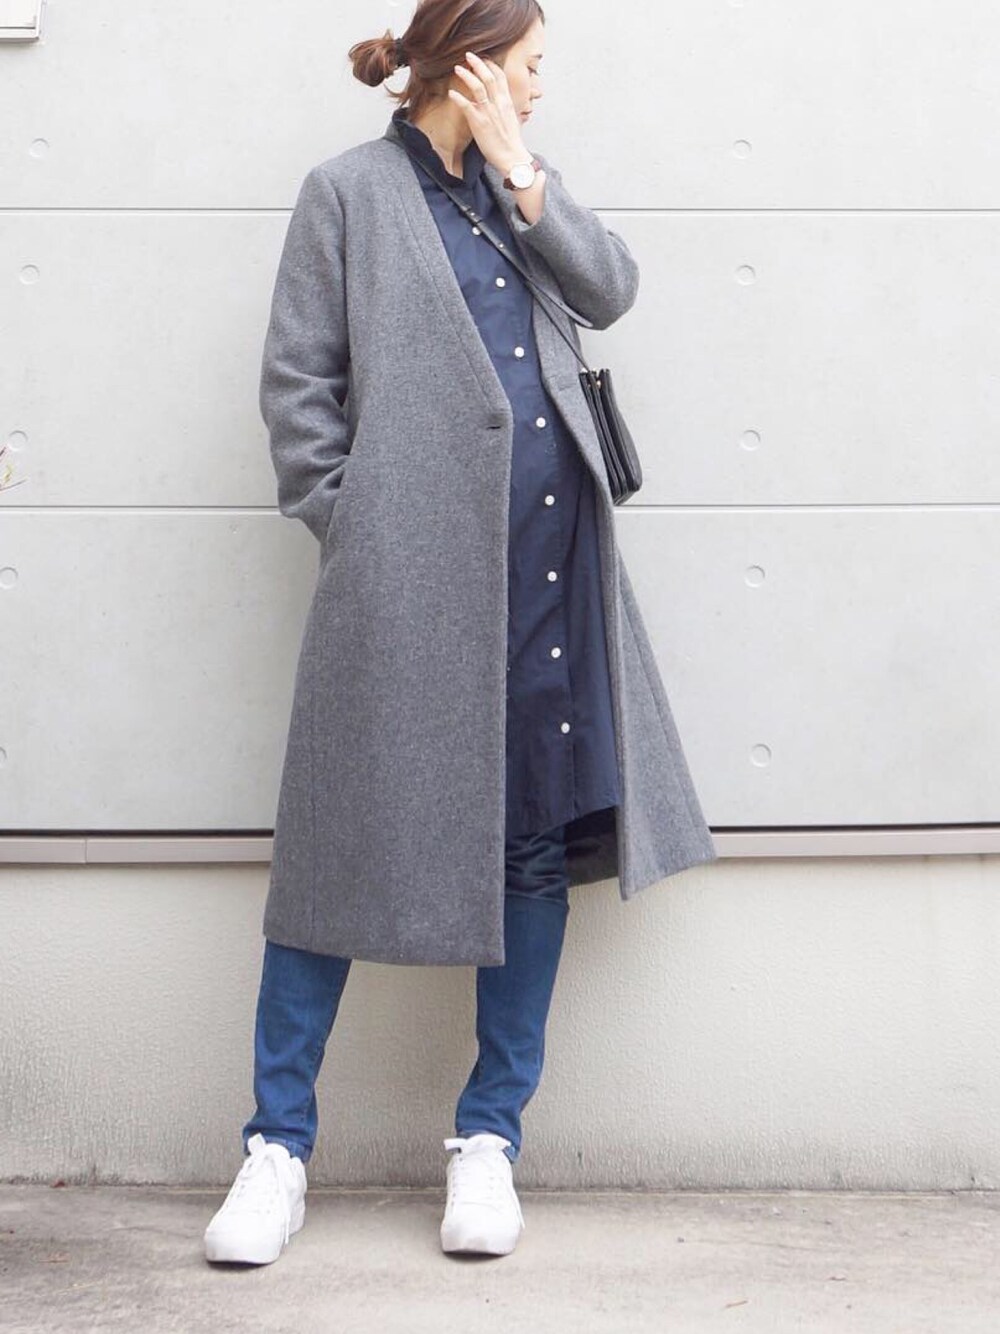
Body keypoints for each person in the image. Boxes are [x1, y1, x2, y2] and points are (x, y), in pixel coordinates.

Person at [204, 0, 717, 1266]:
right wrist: (354, 523)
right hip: (403, 580)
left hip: (548, 567)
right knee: (336, 847)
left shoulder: (521, 186)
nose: (538, 88)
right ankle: (276, 1147)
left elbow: (612, 289)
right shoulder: (346, 193)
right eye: (527, 68)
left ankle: (489, 1137)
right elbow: (298, 385)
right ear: (472, 66)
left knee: (529, 843)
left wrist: (524, 172)